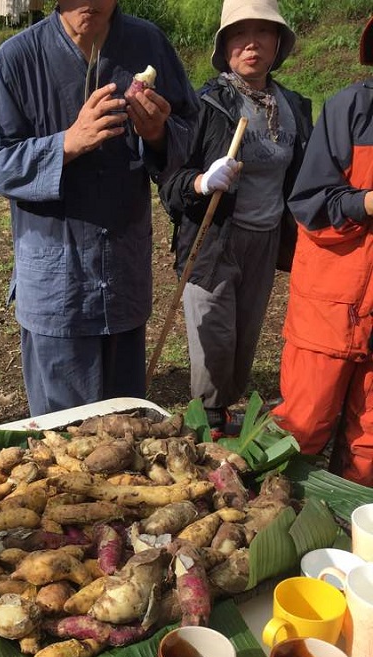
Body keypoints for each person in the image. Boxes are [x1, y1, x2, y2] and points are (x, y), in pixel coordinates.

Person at [0, 0, 199, 416]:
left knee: (126, 428)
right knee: (63, 444)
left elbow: (188, 131)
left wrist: (158, 134)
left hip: (123, 274)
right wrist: (66, 144)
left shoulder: (148, 44)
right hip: (56, 283)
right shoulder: (17, 59)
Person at [160, 0, 312, 432]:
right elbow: (172, 184)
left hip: (264, 241)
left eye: (263, 33)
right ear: (225, 46)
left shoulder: (296, 108)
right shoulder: (207, 105)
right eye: (240, 34)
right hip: (213, 241)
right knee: (214, 339)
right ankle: (205, 428)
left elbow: (305, 182)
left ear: (277, 43)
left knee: (244, 343)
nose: (252, 43)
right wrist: (202, 182)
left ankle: (226, 420)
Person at [271, 17, 373, 486]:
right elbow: (309, 203)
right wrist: (365, 201)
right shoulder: (352, 107)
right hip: (331, 306)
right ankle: (264, 525)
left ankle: (347, 538)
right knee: (302, 427)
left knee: (368, 445)